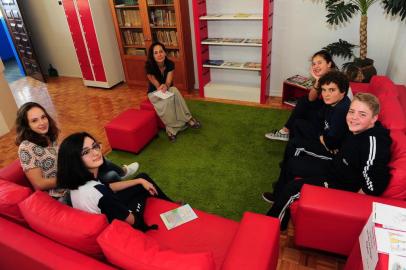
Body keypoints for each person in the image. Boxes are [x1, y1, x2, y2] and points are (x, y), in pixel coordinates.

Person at [266, 93, 392, 230]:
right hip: (336, 167)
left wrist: (347, 199)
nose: (354, 117)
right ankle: (278, 200)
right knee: (293, 164)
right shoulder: (357, 127)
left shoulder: (374, 143)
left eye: (362, 114)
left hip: (343, 185)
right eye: (351, 111)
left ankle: (272, 225)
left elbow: (374, 184)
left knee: (293, 188)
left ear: (374, 118)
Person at [15, 102, 139, 201]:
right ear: (26, 125)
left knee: (98, 158)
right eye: (34, 120)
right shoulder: (26, 148)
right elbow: (39, 184)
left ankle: (123, 174)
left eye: (43, 117)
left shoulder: (47, 137)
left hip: (71, 178)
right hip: (61, 193)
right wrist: (73, 175)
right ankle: (121, 190)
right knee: (110, 175)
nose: (42, 122)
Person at [57, 132, 173, 231]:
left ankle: (172, 205)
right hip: (124, 228)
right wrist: (140, 193)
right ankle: (174, 207)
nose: (96, 153)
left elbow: (107, 187)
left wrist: (139, 181)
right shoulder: (101, 194)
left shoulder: (80, 183)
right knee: (142, 191)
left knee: (142, 178)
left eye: (95, 146)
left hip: (106, 213)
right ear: (74, 160)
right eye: (86, 152)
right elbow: (134, 222)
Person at [263, 70, 351, 200]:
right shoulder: (331, 102)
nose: (326, 94)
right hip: (325, 139)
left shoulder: (341, 111)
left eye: (332, 90)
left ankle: (278, 193)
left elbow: (331, 144)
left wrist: (323, 137)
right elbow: (319, 120)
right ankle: (288, 160)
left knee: (295, 144)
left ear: (342, 92)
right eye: (324, 90)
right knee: (298, 123)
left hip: (332, 154)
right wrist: (322, 135)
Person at [266, 50, 343, 141]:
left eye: (319, 63)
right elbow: (311, 98)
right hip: (327, 110)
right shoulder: (325, 77)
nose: (316, 66)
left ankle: (286, 131)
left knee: (303, 108)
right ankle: (287, 131)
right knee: (304, 100)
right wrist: (318, 80)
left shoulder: (335, 80)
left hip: (332, 118)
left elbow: (335, 107)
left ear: (329, 64)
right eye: (314, 64)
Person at [145, 41, 200, 142]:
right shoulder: (149, 66)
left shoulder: (170, 64)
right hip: (154, 93)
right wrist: (162, 87)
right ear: (152, 56)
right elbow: (157, 86)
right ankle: (170, 129)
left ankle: (188, 118)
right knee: (167, 101)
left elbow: (169, 82)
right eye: (155, 53)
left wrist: (166, 86)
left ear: (165, 53)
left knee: (174, 90)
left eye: (161, 51)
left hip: (167, 88)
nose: (159, 55)